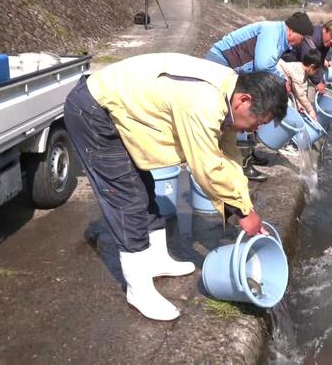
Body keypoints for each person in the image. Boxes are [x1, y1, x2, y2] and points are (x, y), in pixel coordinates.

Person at [64, 53, 288, 321]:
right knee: (127, 199)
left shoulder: (229, 91)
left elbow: (229, 158)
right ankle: (138, 289)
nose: (255, 130)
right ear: (244, 100)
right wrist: (243, 213)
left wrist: (245, 205)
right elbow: (208, 168)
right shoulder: (203, 102)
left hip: (124, 109)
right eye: (258, 122)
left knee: (146, 186)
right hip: (94, 111)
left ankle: (157, 259)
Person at [206, 11, 314, 182]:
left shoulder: (280, 37)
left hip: (235, 70)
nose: (301, 43)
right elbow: (264, 64)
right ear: (292, 30)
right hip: (221, 64)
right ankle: (242, 164)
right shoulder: (272, 31)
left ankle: (248, 155)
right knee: (241, 113)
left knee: (253, 110)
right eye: (302, 38)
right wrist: (282, 80)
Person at [281, 18, 332, 95]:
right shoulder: (312, 38)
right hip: (288, 58)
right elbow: (309, 61)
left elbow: (320, 62)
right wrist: (318, 82)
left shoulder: (326, 42)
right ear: (325, 30)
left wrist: (321, 81)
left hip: (300, 59)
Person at [277, 49, 324, 121]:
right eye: (316, 71)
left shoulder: (299, 66)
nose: (315, 73)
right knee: (288, 107)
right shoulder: (299, 74)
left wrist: (299, 104)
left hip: (280, 80)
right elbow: (300, 94)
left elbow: (298, 89)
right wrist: (310, 110)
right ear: (312, 67)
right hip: (275, 75)